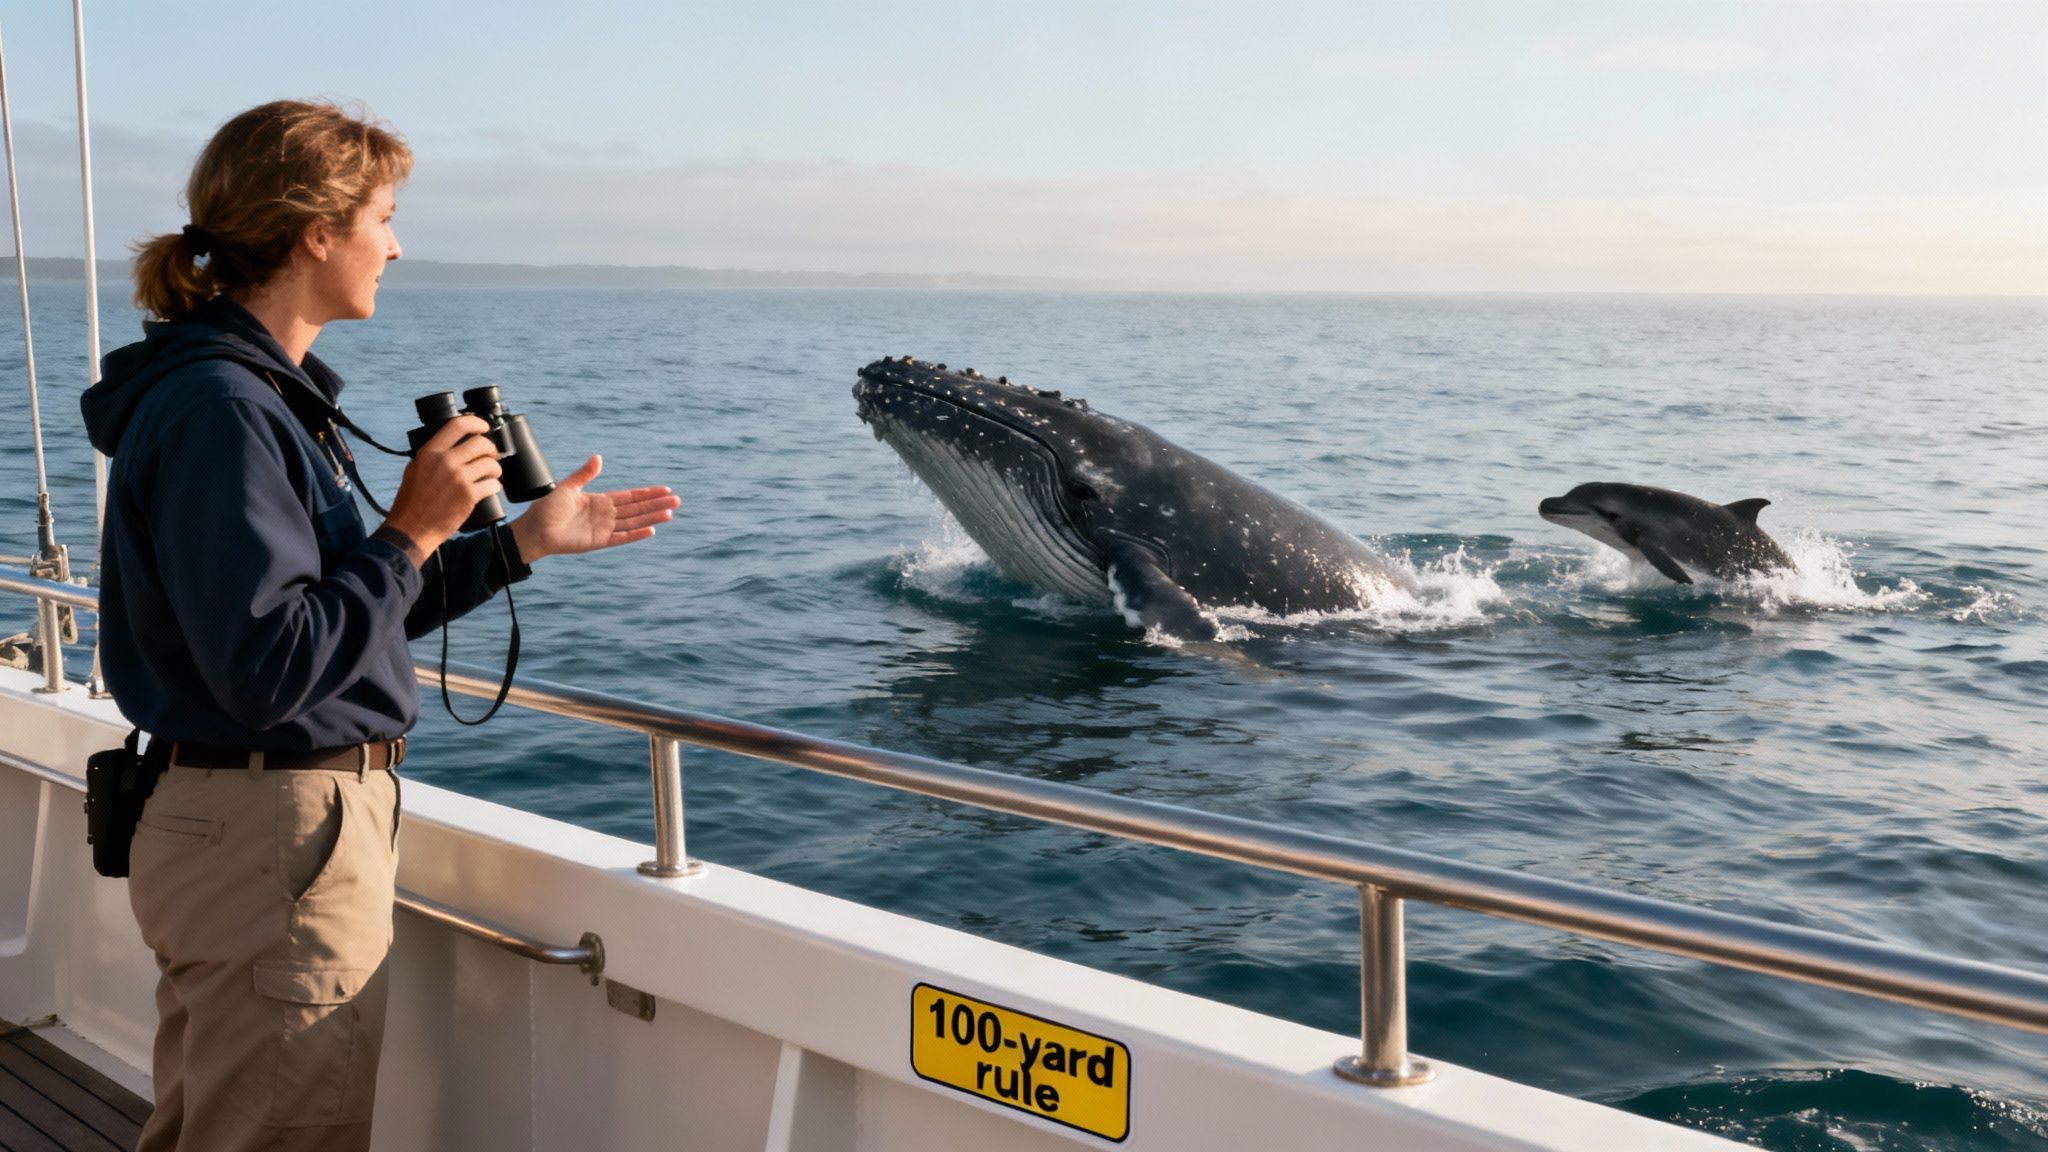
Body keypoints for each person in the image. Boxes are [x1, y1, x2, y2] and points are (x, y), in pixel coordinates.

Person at [78, 99, 680, 1152]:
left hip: (246, 828)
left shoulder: (242, 397)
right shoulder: (225, 410)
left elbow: (336, 619)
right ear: (318, 233)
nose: (395, 245)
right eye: (384, 217)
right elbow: (271, 667)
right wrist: (409, 527)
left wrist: (515, 545)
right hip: (274, 839)